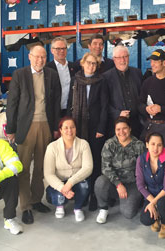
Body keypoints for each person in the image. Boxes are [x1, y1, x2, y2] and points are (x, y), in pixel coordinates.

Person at [6, 44, 61, 224]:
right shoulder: (20, 75)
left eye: (43, 57)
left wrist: (55, 127)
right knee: (23, 167)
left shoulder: (52, 75)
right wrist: (11, 129)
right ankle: (25, 206)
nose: (40, 60)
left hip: (45, 125)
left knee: (41, 167)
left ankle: (36, 200)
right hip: (25, 127)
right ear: (29, 57)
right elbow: (12, 104)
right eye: (36, 57)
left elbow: (55, 103)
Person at [67, 52, 108, 211]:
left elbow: (105, 106)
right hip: (78, 127)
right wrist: (69, 127)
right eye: (89, 63)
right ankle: (82, 194)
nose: (91, 66)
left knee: (95, 162)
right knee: (80, 162)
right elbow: (70, 103)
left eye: (94, 64)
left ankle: (94, 196)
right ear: (83, 63)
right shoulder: (75, 80)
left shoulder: (101, 81)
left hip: (95, 128)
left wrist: (101, 128)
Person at [95, 117, 146, 223]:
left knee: (128, 214)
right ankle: (103, 208)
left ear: (130, 129)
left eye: (125, 128)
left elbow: (143, 168)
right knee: (100, 182)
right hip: (114, 183)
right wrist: (118, 184)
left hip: (132, 183)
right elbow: (105, 167)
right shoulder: (109, 144)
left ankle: (132, 199)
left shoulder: (139, 145)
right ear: (115, 130)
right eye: (118, 129)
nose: (121, 132)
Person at [43, 117, 93, 222]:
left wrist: (70, 182)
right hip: (58, 181)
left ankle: (78, 208)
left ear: (76, 129)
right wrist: (62, 188)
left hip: (77, 180)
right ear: (60, 130)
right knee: (60, 197)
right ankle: (59, 206)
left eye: (72, 127)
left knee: (85, 185)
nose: (69, 131)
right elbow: (48, 174)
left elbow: (88, 168)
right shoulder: (52, 147)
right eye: (66, 128)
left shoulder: (84, 144)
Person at [136, 132, 165, 239]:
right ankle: (157, 216)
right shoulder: (141, 159)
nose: (156, 148)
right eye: (153, 144)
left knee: (162, 202)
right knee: (145, 220)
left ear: (163, 146)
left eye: (159, 145)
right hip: (151, 195)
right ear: (147, 144)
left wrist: (153, 203)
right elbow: (140, 185)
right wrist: (151, 201)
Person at [103, 45, 143, 139]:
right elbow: (104, 103)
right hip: (117, 124)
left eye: (125, 56)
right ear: (114, 59)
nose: (122, 60)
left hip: (137, 123)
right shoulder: (106, 77)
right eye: (119, 57)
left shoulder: (138, 73)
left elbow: (142, 96)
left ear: (128, 57)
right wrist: (118, 114)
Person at [46, 37, 80, 116]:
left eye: (64, 48)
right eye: (58, 49)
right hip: (53, 111)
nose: (61, 51)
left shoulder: (74, 67)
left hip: (71, 111)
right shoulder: (47, 69)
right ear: (52, 50)